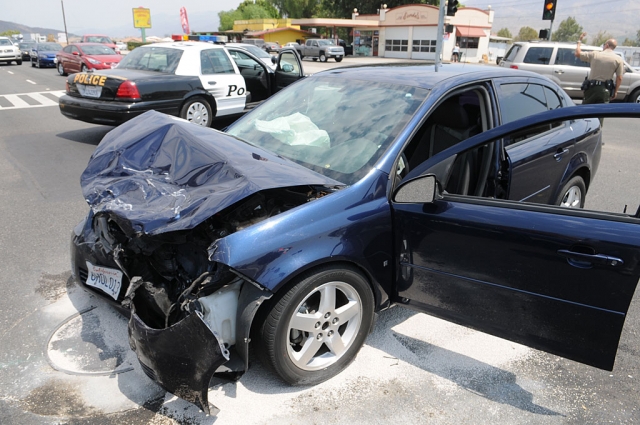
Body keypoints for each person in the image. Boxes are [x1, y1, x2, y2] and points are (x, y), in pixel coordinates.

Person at [575, 32, 624, 105]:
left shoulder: (595, 54)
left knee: (585, 112)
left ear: (606, 45)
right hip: (605, 90)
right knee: (600, 113)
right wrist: (615, 91)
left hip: (591, 88)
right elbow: (619, 78)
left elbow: (578, 53)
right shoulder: (618, 59)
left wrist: (579, 41)